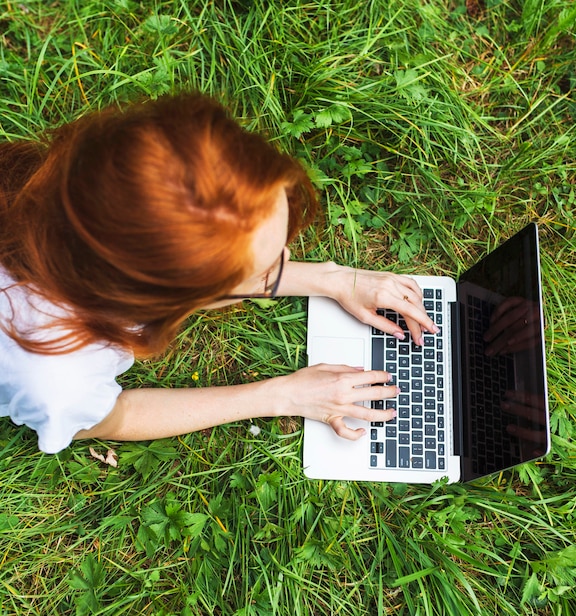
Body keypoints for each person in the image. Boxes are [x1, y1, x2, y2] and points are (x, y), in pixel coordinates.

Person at [0, 93, 439, 454]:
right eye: (267, 269)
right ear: (160, 301)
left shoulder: (107, 179)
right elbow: (113, 417)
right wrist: (282, 395)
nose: (286, 264)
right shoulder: (57, 380)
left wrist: (334, 279)